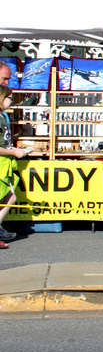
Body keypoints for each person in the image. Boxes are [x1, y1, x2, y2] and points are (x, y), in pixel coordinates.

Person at [0, 86, 26, 246]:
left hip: (4, 163)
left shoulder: (3, 116)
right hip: (1, 163)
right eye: (10, 98)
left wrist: (13, 150)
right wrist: (13, 152)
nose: (12, 101)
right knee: (9, 197)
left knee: (9, 196)